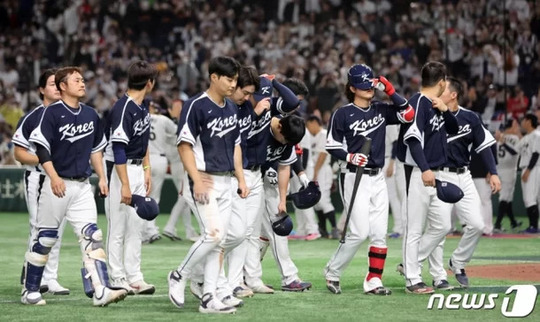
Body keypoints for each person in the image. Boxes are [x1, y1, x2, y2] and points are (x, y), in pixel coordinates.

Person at [22, 66, 127, 306]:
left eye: (82, 80)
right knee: (46, 237)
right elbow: (41, 148)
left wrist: (101, 177)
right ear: (63, 86)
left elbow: (96, 149)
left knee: (93, 235)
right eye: (76, 80)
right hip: (56, 184)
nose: (82, 83)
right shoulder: (51, 113)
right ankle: (30, 290)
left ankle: (101, 290)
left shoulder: (90, 114)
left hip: (82, 186)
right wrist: (54, 177)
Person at [167, 56, 249, 314]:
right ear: (213, 77)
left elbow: (236, 144)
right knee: (212, 235)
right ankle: (179, 274)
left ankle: (209, 297)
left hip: (226, 179)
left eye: (235, 80)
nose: (233, 84)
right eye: (229, 79)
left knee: (220, 241)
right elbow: (184, 145)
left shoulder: (231, 108)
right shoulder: (195, 106)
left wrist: (240, 177)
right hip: (205, 178)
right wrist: (195, 179)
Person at [324, 63, 414, 295]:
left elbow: (408, 114)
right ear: (352, 88)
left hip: (377, 177)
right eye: (363, 86)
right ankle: (333, 272)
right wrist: (350, 157)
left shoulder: (381, 109)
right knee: (358, 232)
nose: (369, 89)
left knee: (379, 232)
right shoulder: (342, 113)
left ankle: (374, 280)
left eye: (370, 84)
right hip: (355, 177)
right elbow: (331, 144)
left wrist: (391, 92)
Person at [416, 77, 501, 290]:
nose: (437, 92)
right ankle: (437, 276)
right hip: (440, 174)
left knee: (478, 224)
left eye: (442, 90)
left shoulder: (471, 117)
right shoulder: (431, 115)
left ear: (453, 95)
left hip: (464, 175)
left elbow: (484, 145)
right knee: (441, 227)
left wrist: (493, 172)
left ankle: (458, 262)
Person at [396, 61, 459, 294]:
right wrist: (424, 169)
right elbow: (412, 139)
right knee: (414, 228)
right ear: (442, 82)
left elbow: (453, 129)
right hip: (418, 173)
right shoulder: (417, 103)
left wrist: (445, 109)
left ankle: (410, 263)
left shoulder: (436, 104)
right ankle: (412, 280)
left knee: (443, 225)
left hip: (437, 172)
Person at [13, 69, 70, 296]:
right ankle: (30, 275)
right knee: (39, 228)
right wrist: (46, 160)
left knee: (57, 229)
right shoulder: (32, 117)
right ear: (41, 90)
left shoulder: (68, 115)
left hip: (63, 178)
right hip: (38, 177)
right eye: (51, 84)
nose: (56, 87)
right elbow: (19, 153)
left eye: (59, 83)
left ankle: (50, 277)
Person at [104, 60, 157, 295]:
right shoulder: (123, 108)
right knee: (118, 227)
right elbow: (118, 150)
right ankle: (116, 277)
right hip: (120, 171)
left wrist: (147, 169)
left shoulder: (142, 105)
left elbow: (143, 140)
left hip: (136, 169)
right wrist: (125, 184)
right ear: (149, 83)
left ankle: (134, 277)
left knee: (136, 227)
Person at [161, 98, 200, 242]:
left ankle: (187, 230)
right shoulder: (171, 124)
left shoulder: (176, 123)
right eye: (175, 107)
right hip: (180, 164)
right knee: (185, 197)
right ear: (171, 110)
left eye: (180, 106)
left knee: (184, 198)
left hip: (180, 163)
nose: (178, 109)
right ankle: (170, 226)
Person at [140, 100, 174, 244]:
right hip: (160, 160)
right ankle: (151, 230)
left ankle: (145, 232)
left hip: (144, 160)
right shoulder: (163, 119)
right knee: (154, 198)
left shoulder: (140, 117)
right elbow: (176, 133)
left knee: (142, 196)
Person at [305, 115, 338, 239]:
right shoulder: (314, 137)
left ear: (314, 122)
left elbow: (322, 155)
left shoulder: (324, 134)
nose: (308, 128)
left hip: (322, 170)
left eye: (309, 125)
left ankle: (335, 228)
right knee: (317, 202)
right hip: (316, 170)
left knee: (324, 200)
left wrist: (315, 172)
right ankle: (323, 229)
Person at [494, 119, 522, 232]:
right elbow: (515, 152)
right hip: (509, 170)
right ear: (511, 126)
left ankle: (513, 222)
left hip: (499, 168)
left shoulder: (499, 138)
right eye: (515, 125)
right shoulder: (514, 138)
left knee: (508, 197)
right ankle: (497, 224)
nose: (517, 127)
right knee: (505, 197)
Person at [518, 113, 540, 233]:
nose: (522, 122)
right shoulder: (527, 137)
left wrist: (528, 170)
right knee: (530, 198)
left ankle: (533, 226)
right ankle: (534, 226)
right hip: (527, 167)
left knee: (530, 198)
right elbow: (515, 150)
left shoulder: (536, 135)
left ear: (529, 121)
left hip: (533, 168)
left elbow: (536, 154)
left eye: (524, 120)